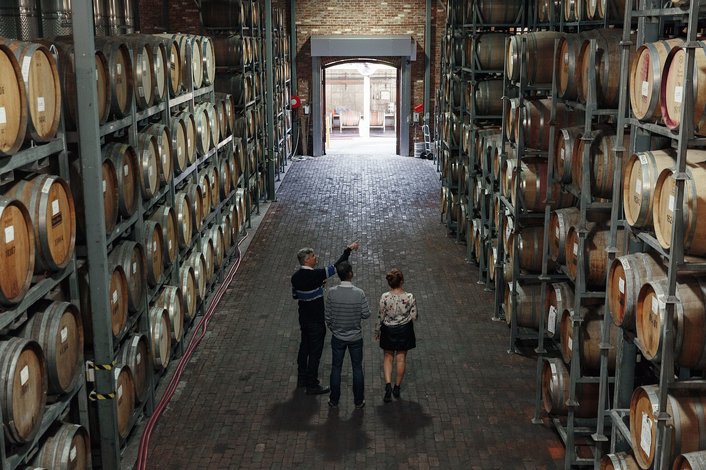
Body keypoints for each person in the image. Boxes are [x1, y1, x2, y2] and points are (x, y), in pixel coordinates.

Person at [291, 241, 359, 395]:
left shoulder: (295, 277)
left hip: (303, 318)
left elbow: (296, 296)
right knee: (315, 352)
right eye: (313, 256)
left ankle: (301, 378)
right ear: (307, 260)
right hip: (316, 320)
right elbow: (337, 266)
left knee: (304, 348)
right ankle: (312, 384)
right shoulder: (316, 274)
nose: (316, 257)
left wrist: (316, 287)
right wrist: (348, 250)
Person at [324, 261, 371, 409]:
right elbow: (366, 314)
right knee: (357, 368)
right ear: (350, 274)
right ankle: (358, 401)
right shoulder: (359, 293)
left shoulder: (331, 292)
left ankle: (334, 400)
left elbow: (328, 316)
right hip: (355, 337)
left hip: (338, 337)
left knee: (336, 368)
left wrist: (333, 328)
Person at [375, 268, 417, 402]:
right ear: (402, 281)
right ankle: (397, 387)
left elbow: (380, 315)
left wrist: (377, 331)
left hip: (388, 330)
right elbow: (414, 316)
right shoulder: (409, 297)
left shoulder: (384, 297)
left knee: (388, 357)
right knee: (401, 359)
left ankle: (387, 385)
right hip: (404, 330)